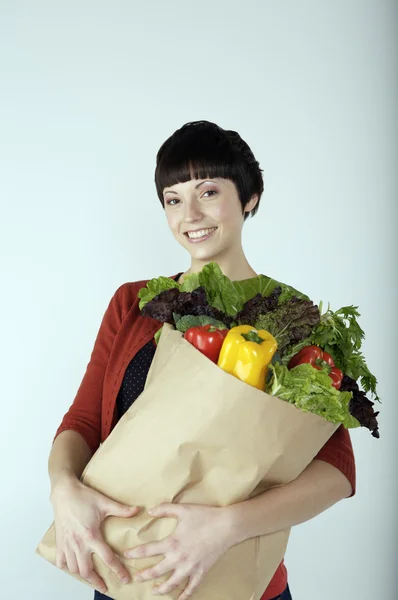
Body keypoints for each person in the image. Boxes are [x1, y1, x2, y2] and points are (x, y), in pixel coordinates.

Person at [48, 120, 356, 600]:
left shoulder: (292, 319)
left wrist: (226, 527)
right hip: (127, 573)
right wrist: (63, 489)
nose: (190, 214)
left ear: (249, 198)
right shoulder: (134, 305)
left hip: (240, 580)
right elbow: (84, 422)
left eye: (208, 191)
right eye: (173, 199)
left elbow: (337, 471)